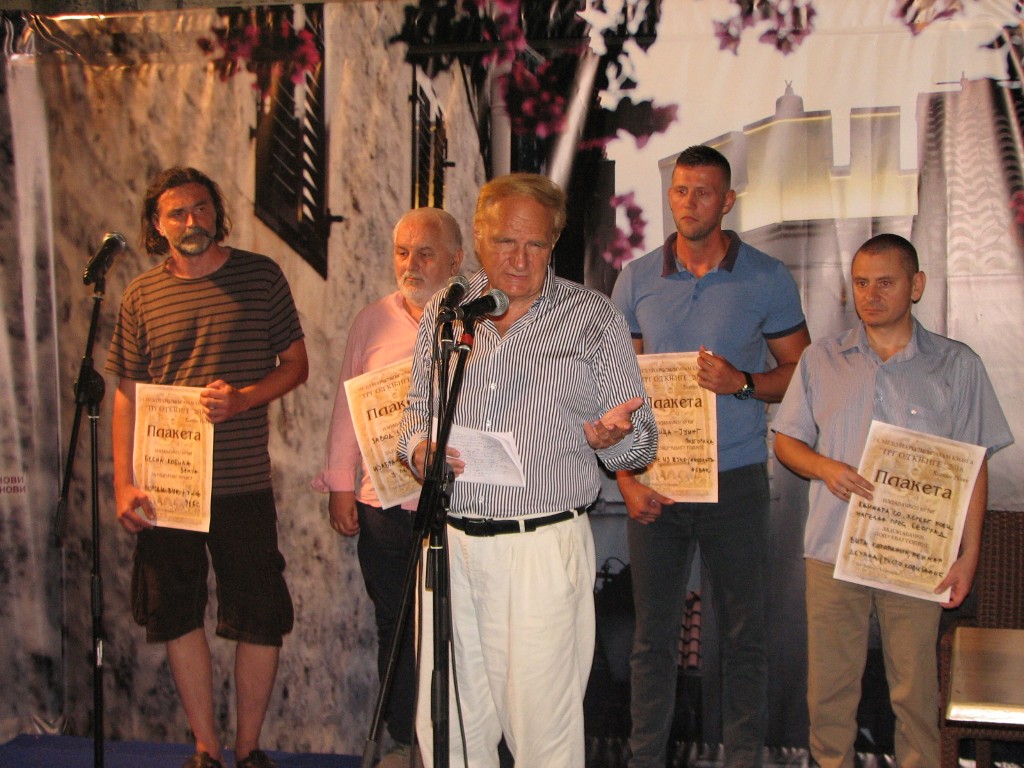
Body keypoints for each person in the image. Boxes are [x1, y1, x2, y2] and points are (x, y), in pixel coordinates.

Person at [397, 173, 658, 768]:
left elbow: (640, 445)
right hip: (450, 545)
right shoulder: (447, 310)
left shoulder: (593, 318)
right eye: (505, 242)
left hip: (541, 546)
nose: (519, 259)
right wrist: (419, 452)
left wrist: (615, 439)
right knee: (450, 731)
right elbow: (416, 412)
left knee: (543, 735)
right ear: (478, 238)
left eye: (535, 244)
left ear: (554, 243)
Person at [772, 233, 1013, 768]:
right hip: (833, 550)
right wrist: (825, 467)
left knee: (916, 695)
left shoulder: (956, 365)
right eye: (861, 283)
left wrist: (969, 555)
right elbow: (786, 441)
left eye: (885, 282)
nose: (871, 295)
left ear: (916, 285)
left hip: (916, 555)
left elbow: (974, 465)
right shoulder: (820, 359)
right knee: (829, 695)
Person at [611, 144, 811, 768]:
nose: (689, 202)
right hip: (657, 479)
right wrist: (626, 477)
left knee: (745, 638)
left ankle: (743, 759)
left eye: (703, 192)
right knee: (652, 639)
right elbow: (618, 388)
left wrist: (743, 382)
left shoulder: (767, 277)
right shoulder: (636, 279)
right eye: (680, 190)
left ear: (727, 202)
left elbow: (801, 372)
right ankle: (646, 759)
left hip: (736, 479)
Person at [107, 167, 308, 768]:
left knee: (259, 616)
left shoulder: (261, 276)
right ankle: (205, 749)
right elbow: (127, 394)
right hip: (166, 489)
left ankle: (248, 750)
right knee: (176, 614)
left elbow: (296, 364)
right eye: (177, 212)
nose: (191, 221)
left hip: (243, 482)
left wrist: (244, 398)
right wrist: (122, 481)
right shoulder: (140, 295)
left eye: (200, 208)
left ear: (217, 213)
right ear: (157, 224)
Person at [313, 207, 464, 767]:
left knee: (455, 629)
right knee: (393, 626)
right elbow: (347, 406)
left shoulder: (478, 325)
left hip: (456, 506)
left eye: (425, 253)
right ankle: (402, 740)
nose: (411, 264)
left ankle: (449, 744)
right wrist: (340, 483)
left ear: (456, 260)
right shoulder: (370, 321)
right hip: (384, 505)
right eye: (402, 252)